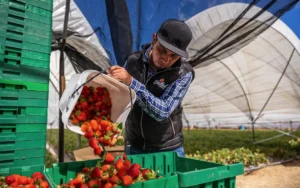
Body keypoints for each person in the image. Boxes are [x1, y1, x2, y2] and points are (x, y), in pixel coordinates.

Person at [108, 19, 194, 157]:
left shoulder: (183, 74)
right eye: (162, 51)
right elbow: (119, 94)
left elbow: (163, 111)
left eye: (173, 56)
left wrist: (131, 82)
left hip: (167, 149)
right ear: (154, 39)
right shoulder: (132, 61)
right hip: (134, 145)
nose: (165, 59)